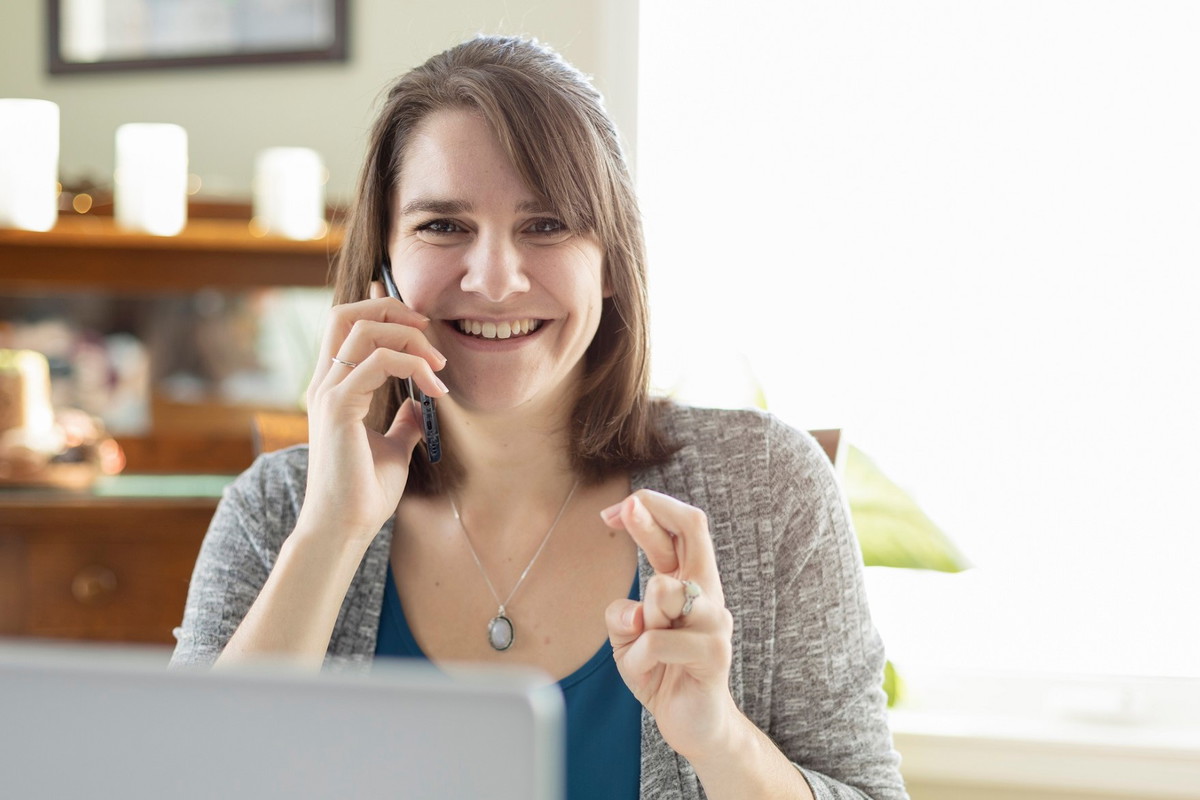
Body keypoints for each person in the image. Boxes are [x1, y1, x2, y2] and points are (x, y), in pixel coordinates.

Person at [171, 35, 909, 800]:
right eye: (443, 225)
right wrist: (330, 533)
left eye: (547, 224)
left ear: (611, 262)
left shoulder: (769, 489)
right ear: (382, 264)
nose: (495, 281)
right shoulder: (276, 512)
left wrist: (719, 739)